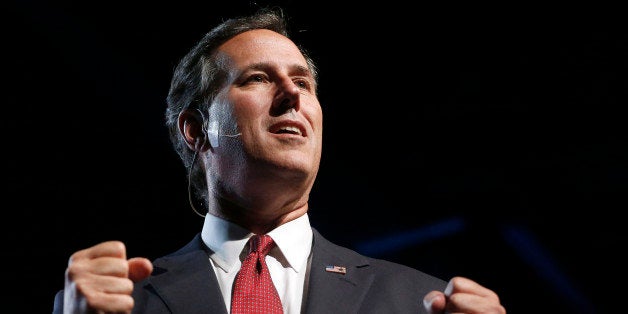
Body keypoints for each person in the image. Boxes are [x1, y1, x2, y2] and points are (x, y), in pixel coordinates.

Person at [52, 7, 506, 314]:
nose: (292, 94)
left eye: (303, 83)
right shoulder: (120, 302)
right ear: (195, 129)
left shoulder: (418, 301)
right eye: (257, 78)